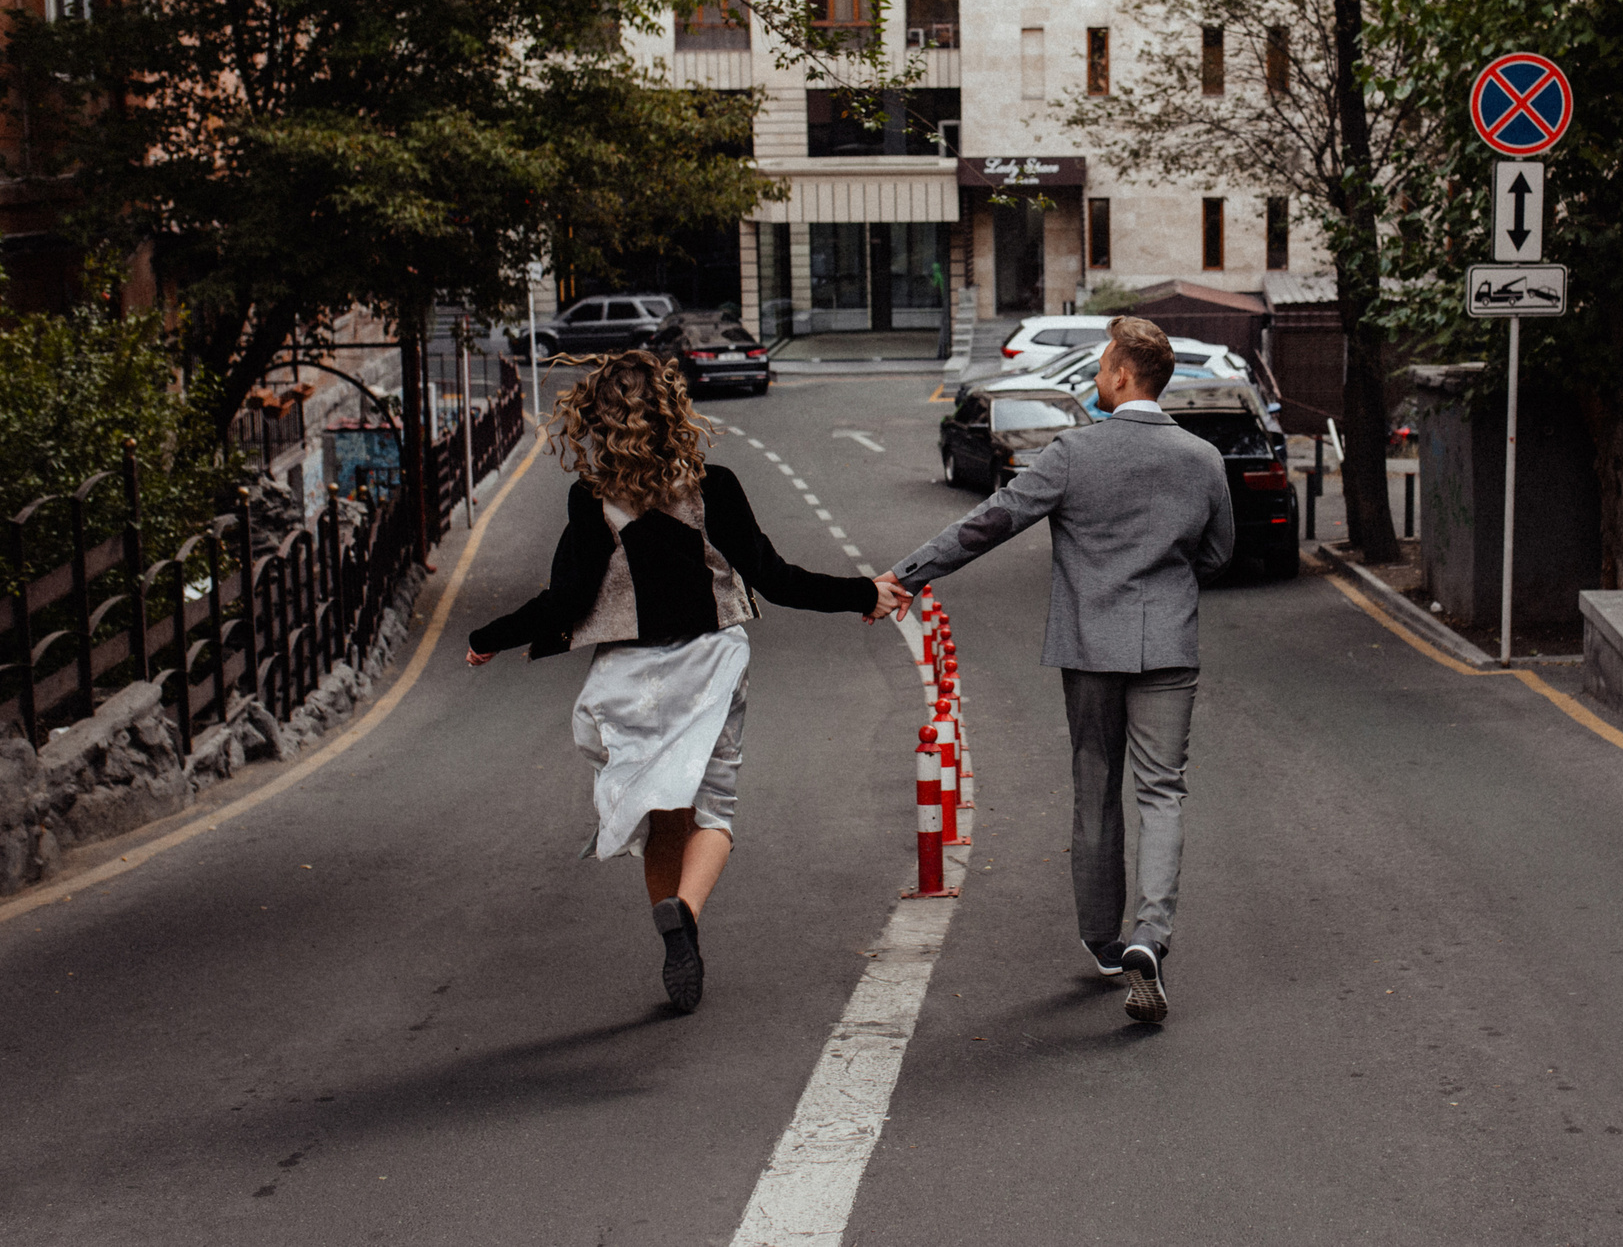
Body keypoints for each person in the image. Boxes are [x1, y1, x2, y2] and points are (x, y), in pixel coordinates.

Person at [466, 350, 907, 1013]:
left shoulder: (591, 501)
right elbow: (776, 577)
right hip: (710, 661)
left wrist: (488, 638)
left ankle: (673, 932)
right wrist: (862, 593)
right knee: (714, 810)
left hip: (629, 674)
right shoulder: (714, 486)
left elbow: (563, 601)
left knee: (661, 817)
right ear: (673, 412)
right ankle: (686, 914)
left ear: (597, 418)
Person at [879, 315, 1232, 1023]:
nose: (1098, 375)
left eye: (1103, 364)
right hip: (1168, 645)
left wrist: (909, 575)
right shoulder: (1203, 459)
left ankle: (1106, 939)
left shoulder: (1074, 452)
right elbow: (1218, 554)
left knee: (1096, 786)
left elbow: (990, 522)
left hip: (1090, 647)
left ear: (1124, 374)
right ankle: (1151, 937)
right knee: (1163, 792)